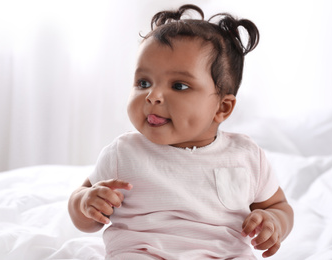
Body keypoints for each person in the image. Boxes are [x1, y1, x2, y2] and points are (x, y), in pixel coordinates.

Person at [68, 4, 293, 259]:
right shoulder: (124, 153)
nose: (153, 96)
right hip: (142, 251)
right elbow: (84, 213)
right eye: (143, 83)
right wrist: (86, 203)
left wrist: (273, 222)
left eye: (179, 85)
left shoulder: (246, 155)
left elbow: (278, 206)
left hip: (224, 254)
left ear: (222, 107)